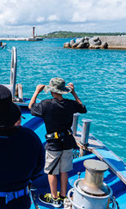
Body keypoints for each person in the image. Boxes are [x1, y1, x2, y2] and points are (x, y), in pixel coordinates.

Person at [28, 78, 87, 208]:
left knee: (52, 172)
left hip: (53, 143)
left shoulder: (46, 104)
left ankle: (55, 199)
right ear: (63, 91)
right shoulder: (70, 104)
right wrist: (74, 93)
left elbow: (31, 108)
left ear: (52, 91)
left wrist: (36, 91)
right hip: (67, 141)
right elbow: (83, 108)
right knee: (64, 170)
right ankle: (63, 196)